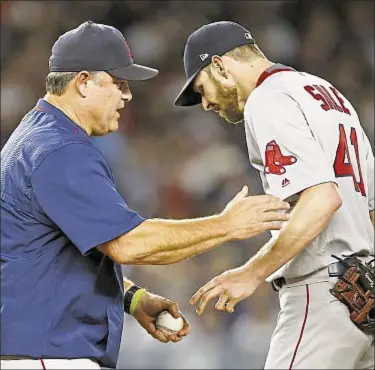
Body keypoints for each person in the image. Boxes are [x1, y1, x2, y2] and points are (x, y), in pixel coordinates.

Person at [0, 21, 291, 370]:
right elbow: (129, 244)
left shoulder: (35, 139)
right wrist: (226, 225)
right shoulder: (58, 149)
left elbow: (57, 259)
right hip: (48, 355)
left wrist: (133, 298)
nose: (127, 95)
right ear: (83, 82)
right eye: (119, 82)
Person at [175, 21, 374, 369]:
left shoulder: (267, 98)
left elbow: (322, 198)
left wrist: (251, 273)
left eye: (201, 89)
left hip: (323, 291)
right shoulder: (329, 94)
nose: (204, 104)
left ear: (220, 66)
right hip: (365, 295)